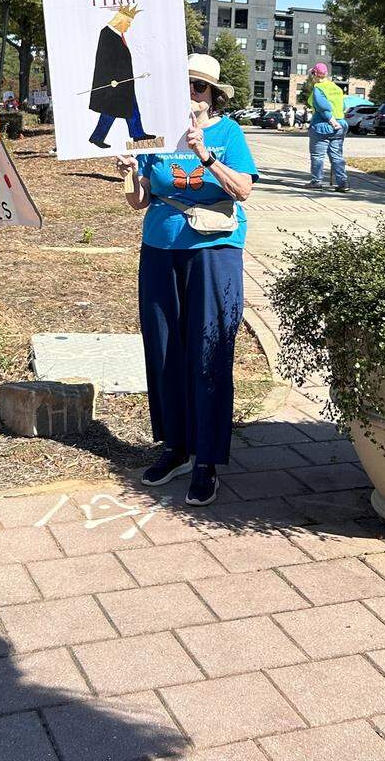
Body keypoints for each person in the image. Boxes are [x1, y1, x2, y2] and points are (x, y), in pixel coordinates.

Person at [115, 53, 259, 506]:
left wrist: (206, 155)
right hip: (159, 250)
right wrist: (130, 174)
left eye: (198, 88)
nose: (190, 95)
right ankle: (175, 446)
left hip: (214, 253)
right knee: (163, 350)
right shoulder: (151, 134)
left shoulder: (227, 132)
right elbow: (141, 201)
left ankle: (207, 459)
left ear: (213, 95)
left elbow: (244, 189)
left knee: (209, 351)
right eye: (184, 86)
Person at [88, 4, 154, 148]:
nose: (129, 26)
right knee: (112, 110)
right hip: (116, 83)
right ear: (120, 20)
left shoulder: (116, 35)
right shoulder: (107, 34)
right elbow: (103, 60)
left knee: (128, 108)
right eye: (128, 22)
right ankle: (99, 137)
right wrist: (110, 79)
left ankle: (137, 134)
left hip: (124, 83)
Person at [307, 62, 348, 191]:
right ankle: (343, 182)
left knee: (318, 155)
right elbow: (343, 107)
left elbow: (322, 107)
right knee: (336, 155)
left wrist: (331, 120)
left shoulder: (318, 88)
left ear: (315, 74)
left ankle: (316, 181)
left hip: (323, 125)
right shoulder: (336, 88)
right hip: (340, 125)